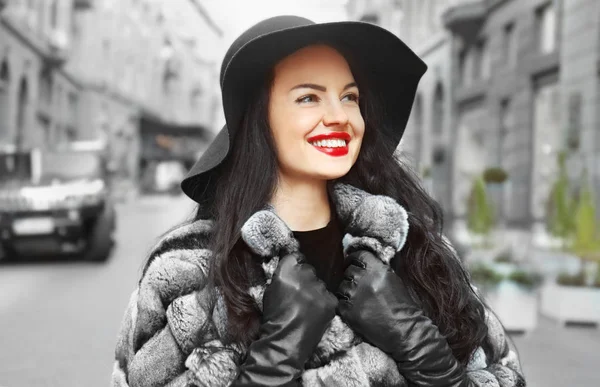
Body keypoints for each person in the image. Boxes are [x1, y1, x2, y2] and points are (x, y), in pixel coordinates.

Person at [112, 16, 526, 387]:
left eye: (349, 97)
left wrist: (429, 358)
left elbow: (503, 372)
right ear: (259, 120)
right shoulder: (187, 271)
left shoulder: (417, 249)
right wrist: (271, 363)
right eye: (308, 97)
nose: (340, 115)